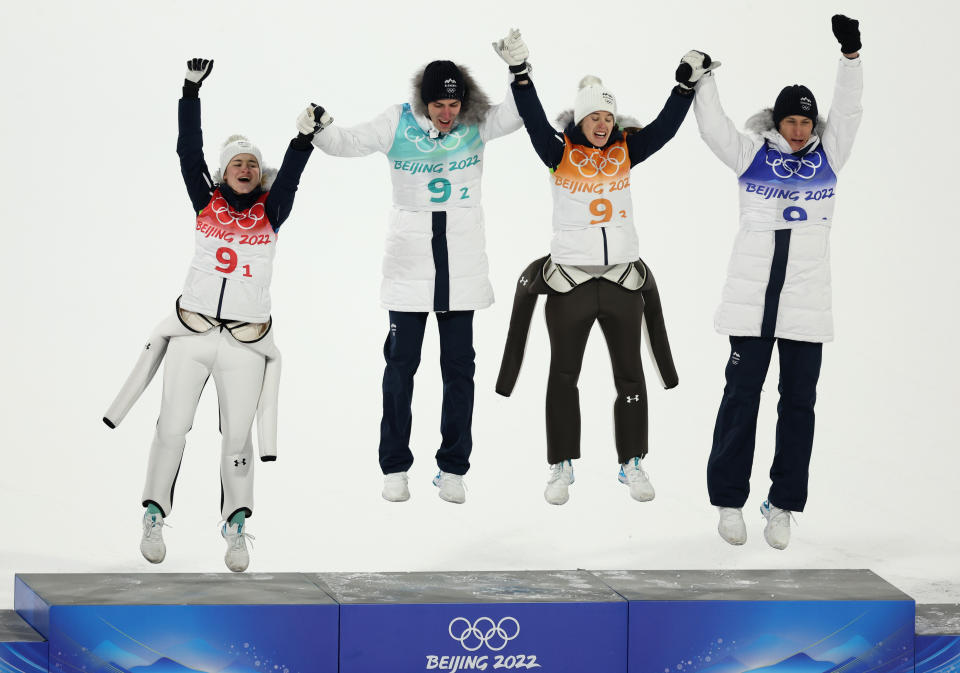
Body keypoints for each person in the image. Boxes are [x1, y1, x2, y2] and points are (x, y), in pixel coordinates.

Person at [103, 58, 326, 571]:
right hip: (193, 333)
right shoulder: (205, 202)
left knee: (238, 437)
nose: (245, 169)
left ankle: (236, 526)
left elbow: (290, 177)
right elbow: (187, 151)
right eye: (236, 164)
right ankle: (154, 513)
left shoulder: (271, 211)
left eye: (252, 164)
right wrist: (190, 90)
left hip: (246, 343)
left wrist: (302, 139)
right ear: (223, 172)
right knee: (172, 426)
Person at [308, 33, 524, 504]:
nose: (446, 113)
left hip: (461, 271)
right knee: (400, 368)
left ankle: (452, 468)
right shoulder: (398, 122)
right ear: (422, 101)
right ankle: (394, 467)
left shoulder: (476, 124)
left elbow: (519, 113)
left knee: (459, 371)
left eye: (453, 103)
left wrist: (520, 70)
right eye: (438, 104)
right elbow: (348, 142)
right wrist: (320, 128)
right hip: (409, 269)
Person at [494, 31, 704, 504]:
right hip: (569, 283)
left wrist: (684, 90)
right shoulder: (559, 153)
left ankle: (632, 461)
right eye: (595, 117)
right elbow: (531, 122)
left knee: (630, 376)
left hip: (621, 282)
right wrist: (521, 76)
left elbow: (665, 129)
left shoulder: (626, 150)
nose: (603, 124)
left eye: (609, 116)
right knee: (563, 374)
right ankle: (560, 465)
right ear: (581, 119)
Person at [691, 16, 863, 549]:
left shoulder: (829, 160)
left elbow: (850, 112)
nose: (798, 130)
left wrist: (851, 56)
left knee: (798, 406)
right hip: (751, 306)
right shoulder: (751, 156)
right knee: (741, 399)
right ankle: (728, 499)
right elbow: (713, 127)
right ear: (776, 121)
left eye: (806, 123)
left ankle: (783, 504)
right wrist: (703, 79)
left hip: (805, 308)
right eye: (790, 121)